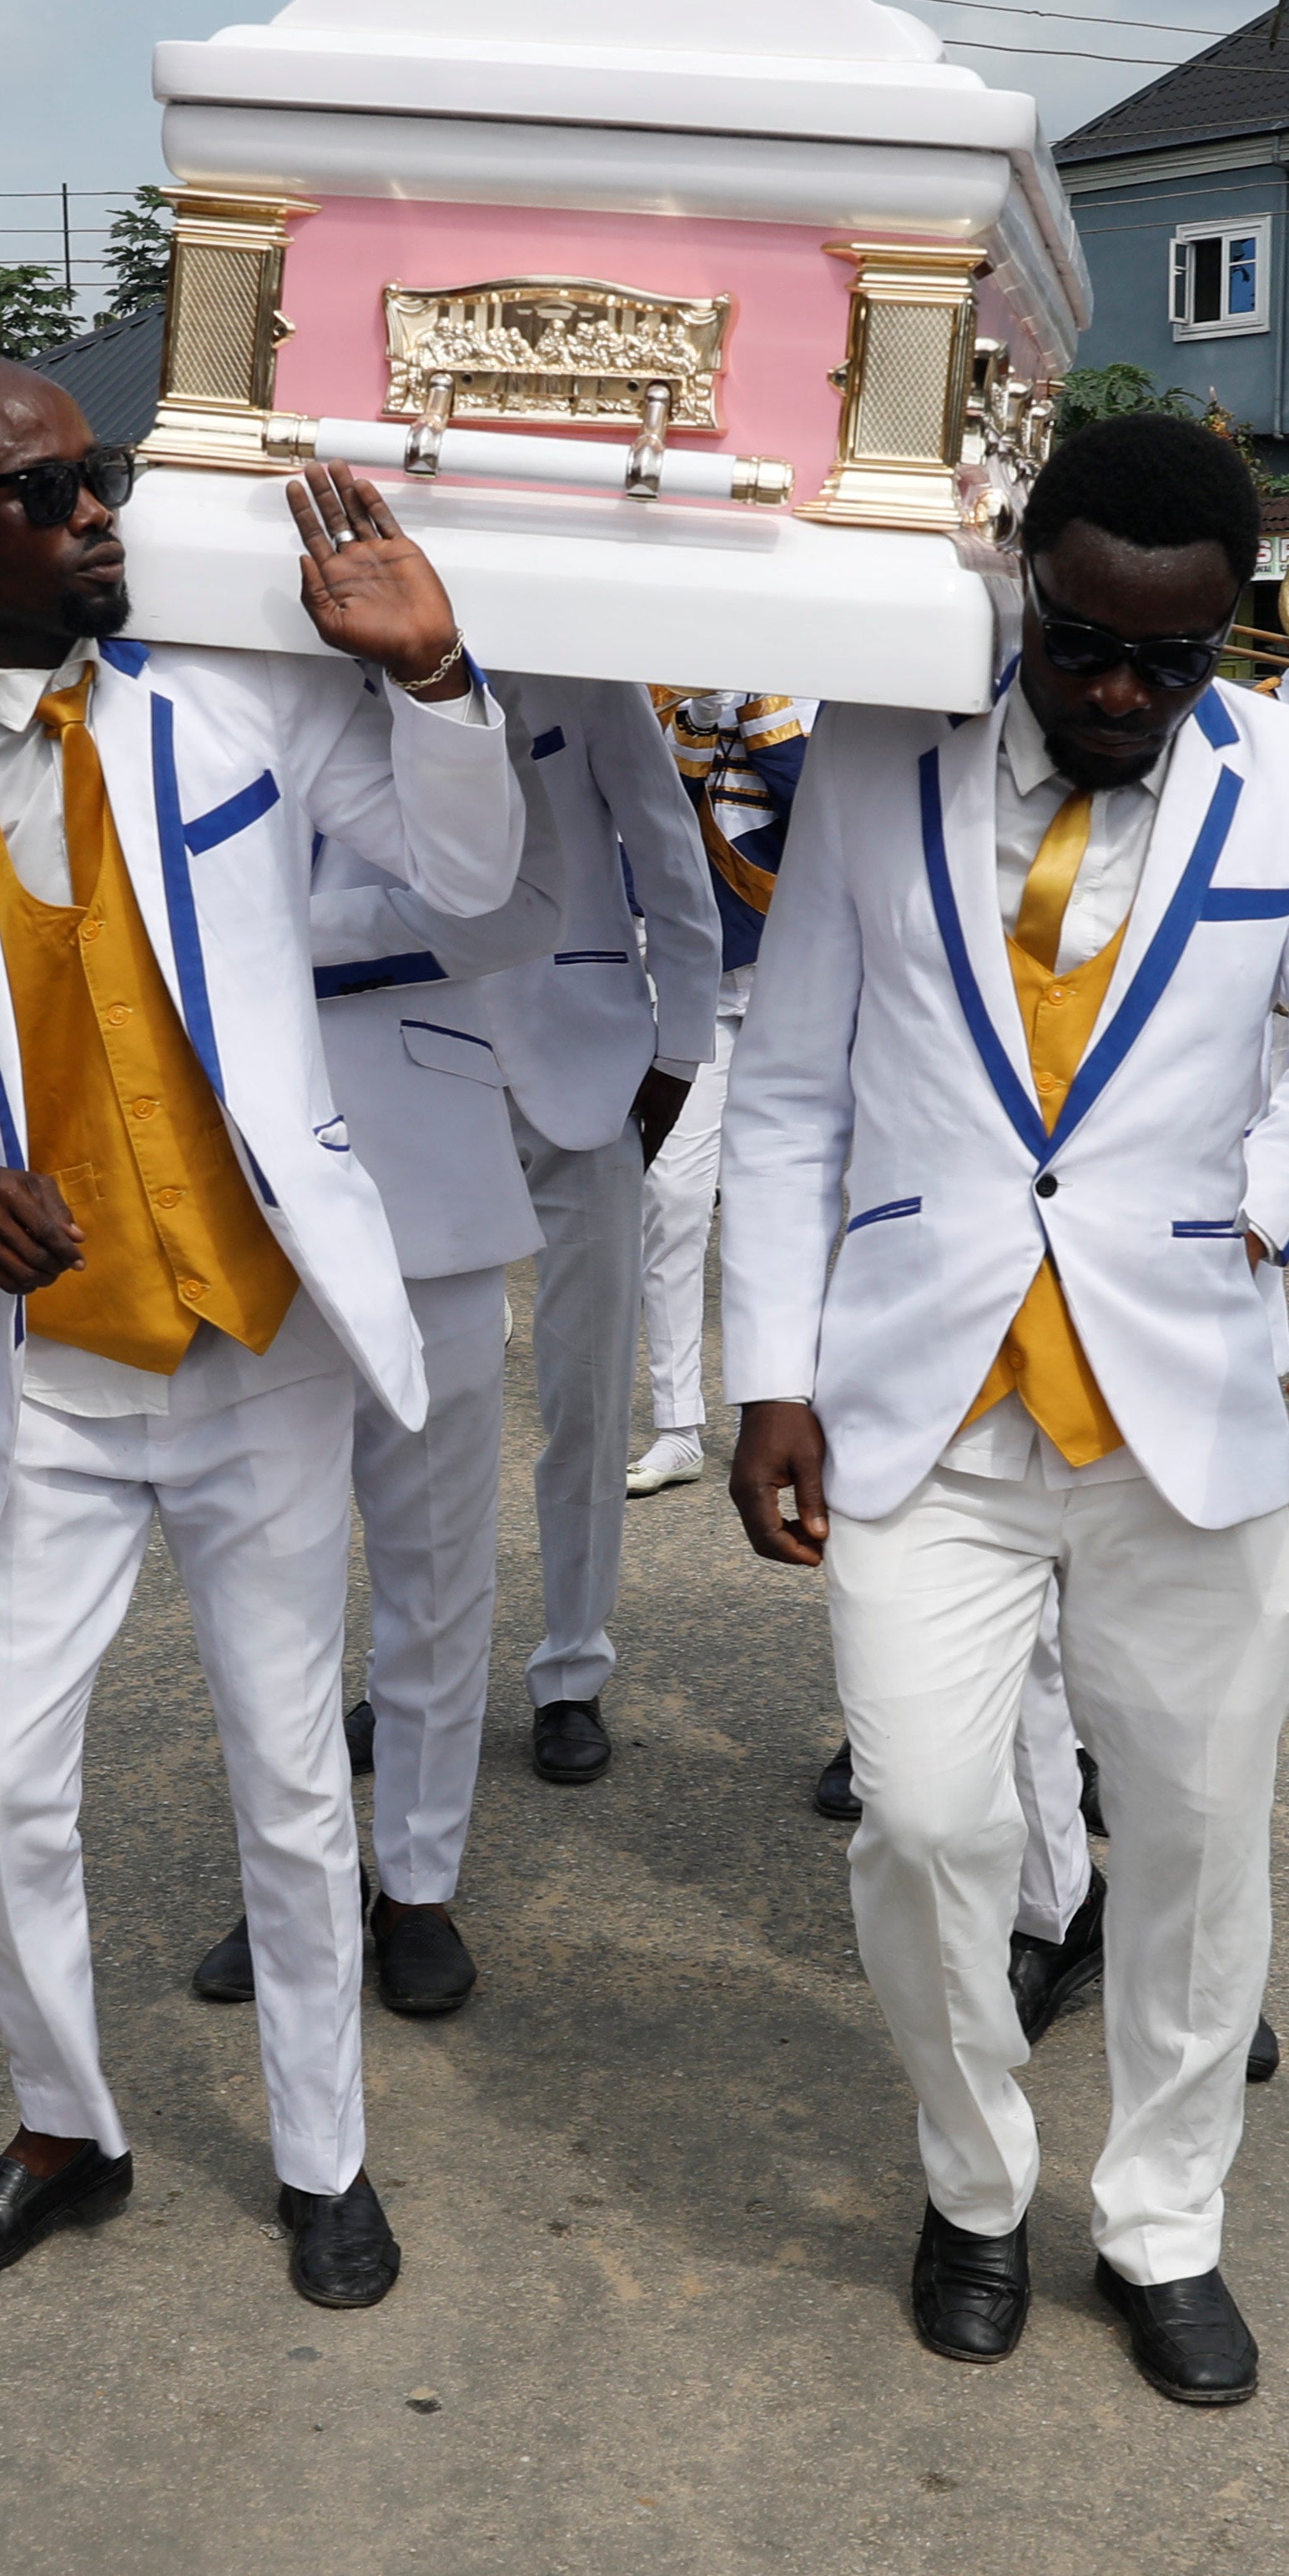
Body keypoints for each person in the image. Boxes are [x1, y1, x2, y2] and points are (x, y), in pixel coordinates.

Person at [721, 412, 1289, 2407]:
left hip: (1182, 1415)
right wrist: (764, 1373)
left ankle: (1165, 2224)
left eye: (1174, 659)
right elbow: (788, 1091)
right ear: (1024, 586)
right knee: (932, 1830)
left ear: (1231, 634)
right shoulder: (875, 760)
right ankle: (972, 2187)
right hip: (919, 1411)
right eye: (1085, 646)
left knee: (1204, 1843)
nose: (1125, 690)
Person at [0, 359, 523, 2312]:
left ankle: (321, 2154)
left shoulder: (243, 709)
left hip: (259, 1347)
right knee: (4, 1783)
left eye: (91, 475)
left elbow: (472, 876)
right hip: (53, 1376)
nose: (89, 511)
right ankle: (64, 2127)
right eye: (34, 494)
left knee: (289, 1774)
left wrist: (433, 683)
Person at [176, 723, 617, 2020]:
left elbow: (519, 908)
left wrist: (267, 938)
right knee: (266, 1585)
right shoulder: (198, 703)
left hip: (428, 1186)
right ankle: (292, 1889)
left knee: (435, 1568)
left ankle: (418, 1883)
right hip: (241, 1189)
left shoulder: (450, 701)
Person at [496, 688, 728, 1778]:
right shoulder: (347, 660)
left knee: (584, 1397)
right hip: (403, 1056)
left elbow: (668, 850)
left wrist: (680, 1047)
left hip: (587, 1063)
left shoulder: (580, 669)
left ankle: (571, 1670)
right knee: (385, 1410)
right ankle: (397, 1674)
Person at [627, 685, 809, 1503]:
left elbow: (821, 804)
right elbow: (650, 812)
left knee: (797, 1193)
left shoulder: (826, 676)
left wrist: (759, 711)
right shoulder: (665, 678)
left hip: (793, 961)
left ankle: (806, 1397)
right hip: (694, 957)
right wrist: (698, 719)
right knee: (671, 1190)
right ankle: (677, 1424)